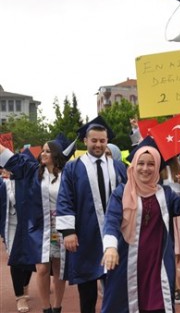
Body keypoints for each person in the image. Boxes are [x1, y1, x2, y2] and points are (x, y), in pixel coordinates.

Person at [100, 141, 180, 313]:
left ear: (157, 168)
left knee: (158, 306)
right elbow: (111, 220)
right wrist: (110, 247)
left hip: (157, 264)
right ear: (133, 166)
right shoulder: (121, 192)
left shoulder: (166, 194)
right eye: (141, 163)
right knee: (123, 305)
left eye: (151, 164)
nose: (145, 168)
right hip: (128, 262)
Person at [56, 116, 128, 313]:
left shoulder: (118, 167)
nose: (98, 144)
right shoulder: (73, 167)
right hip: (85, 234)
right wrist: (69, 231)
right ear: (85, 141)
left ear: (107, 142)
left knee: (115, 288)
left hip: (114, 235)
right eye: (94, 140)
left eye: (102, 141)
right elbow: (64, 199)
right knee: (87, 291)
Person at [1, 135, 74, 313]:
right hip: (40, 227)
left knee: (58, 268)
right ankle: (45, 308)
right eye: (43, 150)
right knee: (41, 268)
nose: (43, 154)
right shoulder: (33, 171)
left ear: (57, 155)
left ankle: (57, 306)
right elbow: (10, 158)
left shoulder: (68, 175)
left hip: (61, 226)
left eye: (48, 151)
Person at [1, 167, 35, 313]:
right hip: (12, 224)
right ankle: (19, 296)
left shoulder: (29, 181)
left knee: (31, 258)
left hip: (30, 225)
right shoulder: (3, 184)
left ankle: (25, 285)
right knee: (16, 259)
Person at [160, 154, 180, 304]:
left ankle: (172, 277)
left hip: (179, 212)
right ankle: (176, 286)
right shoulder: (160, 170)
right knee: (171, 249)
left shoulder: (179, 168)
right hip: (166, 211)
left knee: (179, 250)